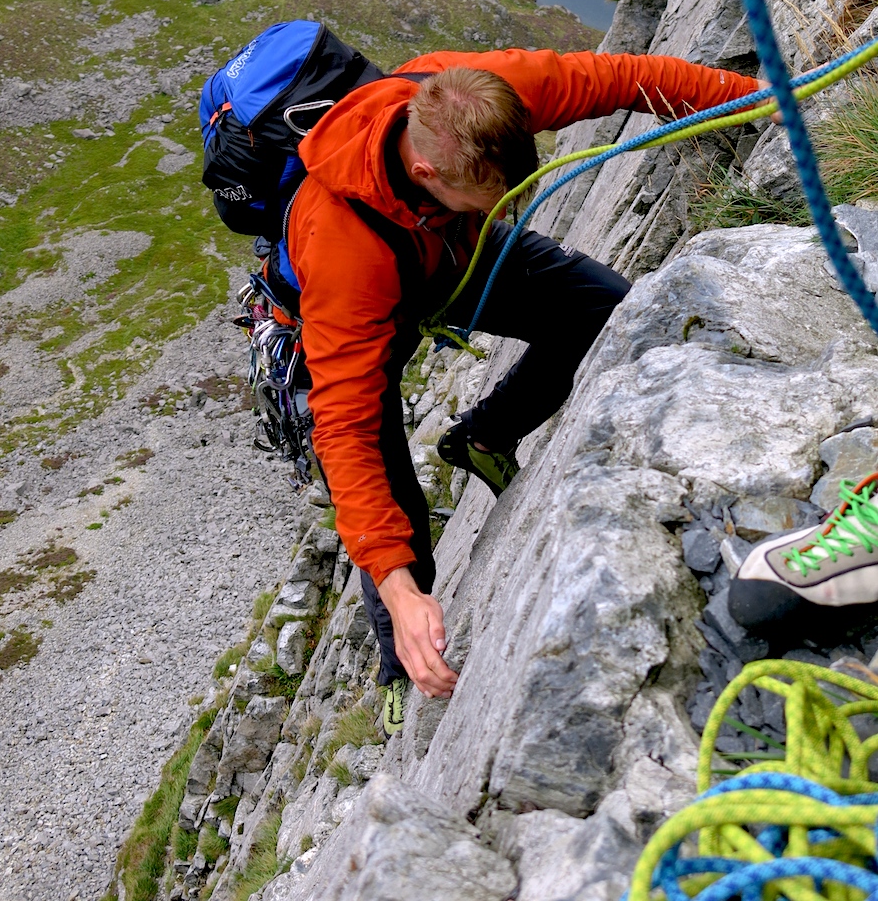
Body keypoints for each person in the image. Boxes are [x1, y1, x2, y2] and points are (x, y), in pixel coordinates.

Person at [286, 45, 761, 732]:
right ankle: (402, 658)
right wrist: (395, 584)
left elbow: (621, 78)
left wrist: (754, 93)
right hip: (373, 309)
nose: (514, 201)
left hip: (450, 250)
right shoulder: (341, 246)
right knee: (394, 512)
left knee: (606, 308)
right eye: (493, 192)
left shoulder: (477, 101)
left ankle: (485, 434)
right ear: (426, 173)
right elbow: (345, 430)